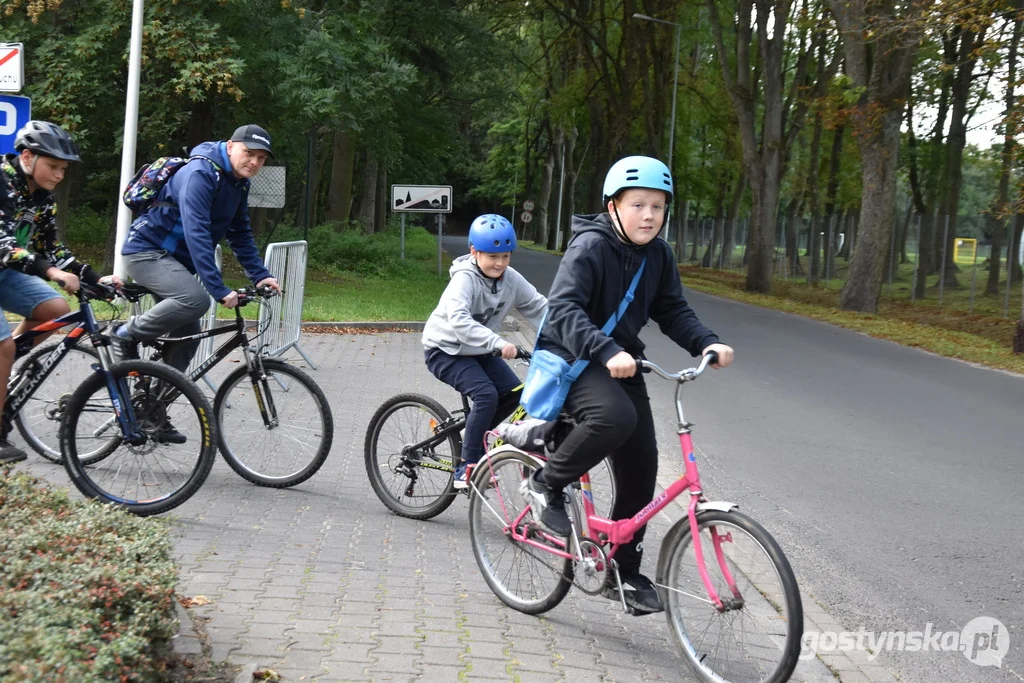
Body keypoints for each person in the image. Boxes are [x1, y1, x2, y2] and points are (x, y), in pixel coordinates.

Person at [520, 156, 735, 615]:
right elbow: (562, 310)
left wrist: (708, 344)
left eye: (658, 207)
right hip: (574, 356)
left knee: (642, 464)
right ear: (613, 206)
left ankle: (623, 570)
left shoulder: (658, 254)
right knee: (613, 417)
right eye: (638, 204)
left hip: (620, 360)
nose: (650, 216)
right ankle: (545, 482)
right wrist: (605, 349)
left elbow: (672, 309)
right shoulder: (590, 247)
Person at [113, 124, 281, 390]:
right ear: (230, 146)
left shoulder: (238, 184)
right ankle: (124, 336)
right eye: (249, 152)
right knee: (194, 300)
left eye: (261, 158)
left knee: (189, 334)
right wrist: (218, 289)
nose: (254, 162)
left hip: (174, 262)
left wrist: (261, 275)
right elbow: (196, 232)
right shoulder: (201, 173)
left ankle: (152, 412)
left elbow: (239, 233)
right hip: (146, 251)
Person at [0, 121, 122, 464]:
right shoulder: (1, 180)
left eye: (63, 169)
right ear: (26, 156)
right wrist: (52, 272)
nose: (58, 175)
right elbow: (3, 244)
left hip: (5, 273)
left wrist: (95, 280)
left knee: (55, 309)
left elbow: (54, 250)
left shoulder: (42, 197)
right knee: (3, 345)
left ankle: (8, 369)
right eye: (52, 166)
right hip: (2, 259)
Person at [422, 214, 547, 489]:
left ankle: (473, 432)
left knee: (517, 396)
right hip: (445, 350)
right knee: (486, 394)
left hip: (478, 351)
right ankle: (465, 468)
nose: (499, 263)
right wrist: (499, 343)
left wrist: (571, 332)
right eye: (492, 256)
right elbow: (460, 322)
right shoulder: (464, 280)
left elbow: (539, 307)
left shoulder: (510, 279)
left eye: (505, 256)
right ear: (474, 252)